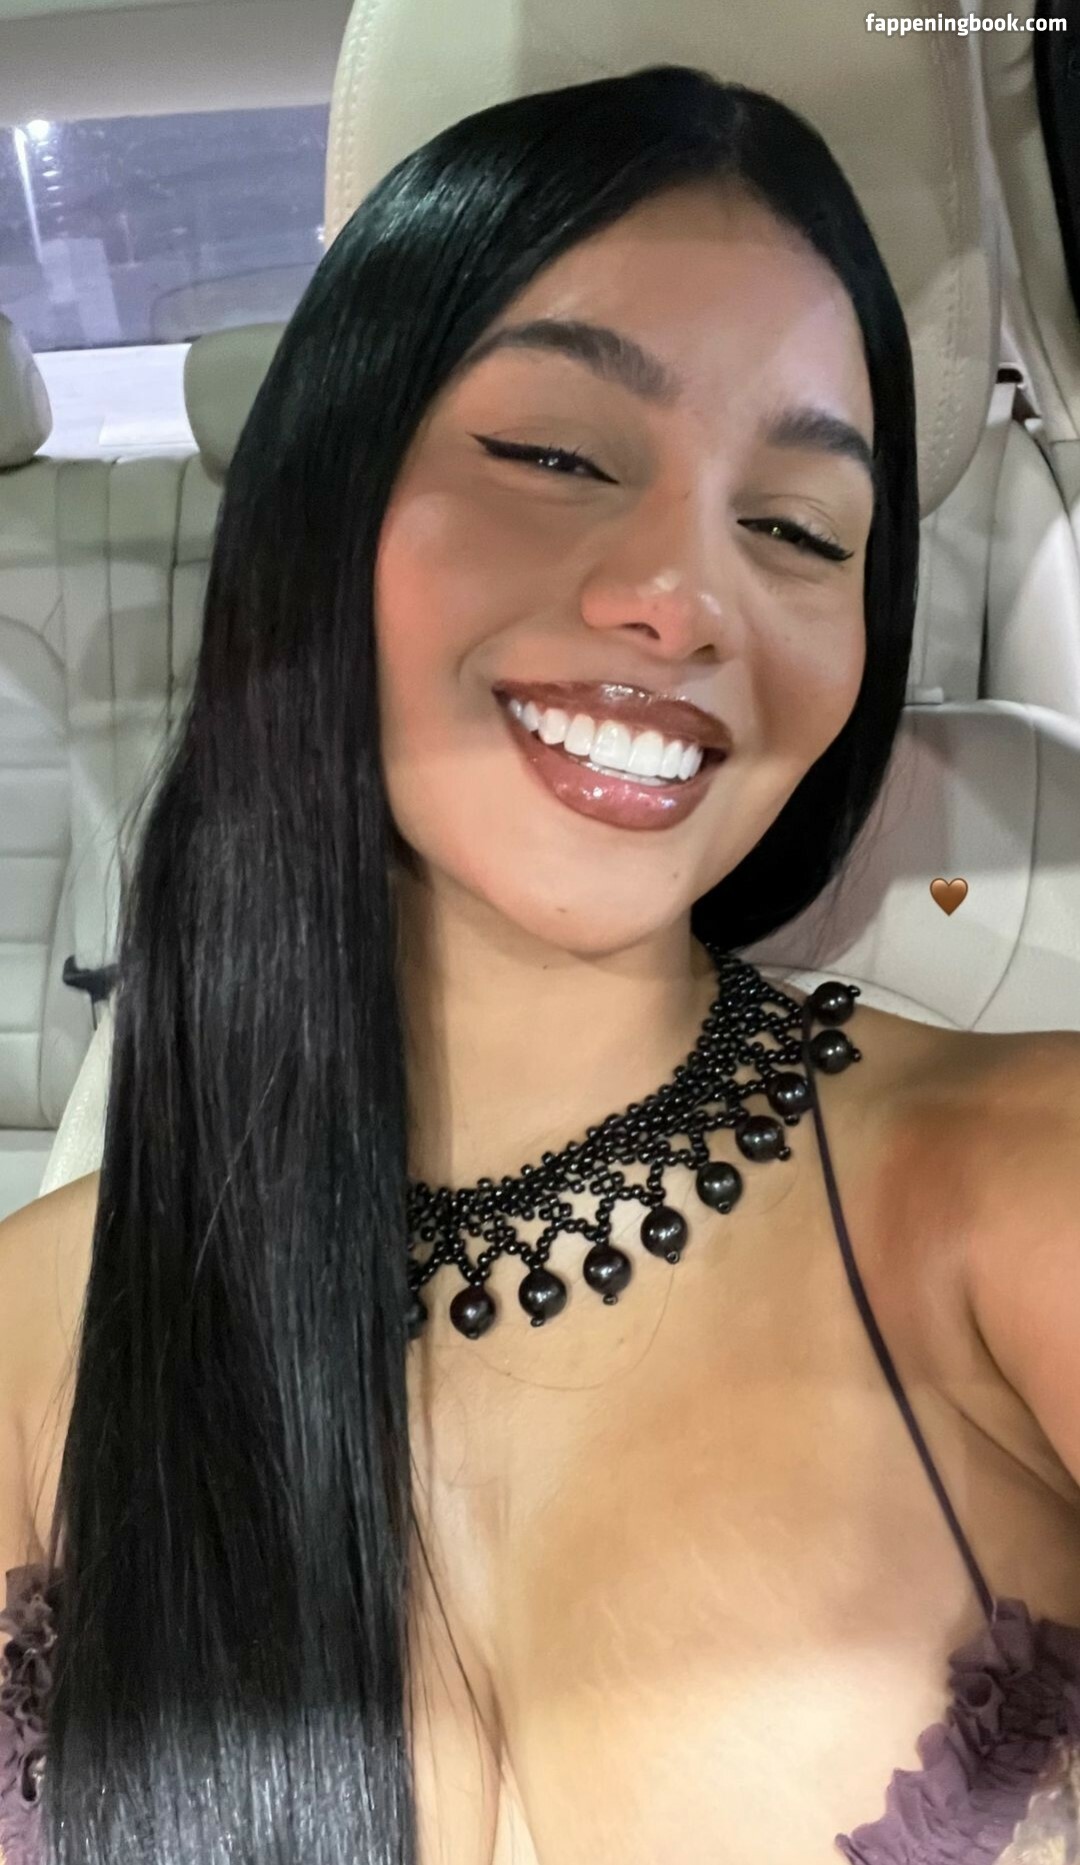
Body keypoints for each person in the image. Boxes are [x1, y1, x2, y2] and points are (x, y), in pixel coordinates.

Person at [0, 61, 1077, 1865]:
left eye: (799, 530)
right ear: (327, 502)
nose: (686, 597)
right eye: (558, 455)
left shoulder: (1020, 1189)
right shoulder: (39, 1330)